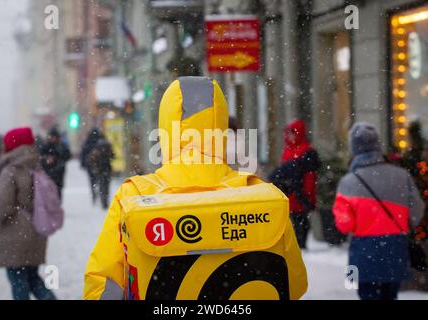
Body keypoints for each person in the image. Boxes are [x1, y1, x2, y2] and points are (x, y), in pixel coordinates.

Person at [83, 77, 307, 300]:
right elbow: (294, 284)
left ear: (165, 128)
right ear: (220, 125)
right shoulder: (259, 194)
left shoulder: (135, 195)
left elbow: (103, 282)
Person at [333, 122, 424, 300]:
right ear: (377, 145)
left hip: (364, 251)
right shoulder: (401, 176)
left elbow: (344, 225)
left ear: (355, 148)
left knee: (367, 295)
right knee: (390, 295)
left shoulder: (348, 182)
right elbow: (417, 210)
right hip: (395, 248)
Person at [0, 127, 56, 300]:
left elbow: (5, 205)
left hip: (16, 235)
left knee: (19, 283)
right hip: (35, 231)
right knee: (33, 279)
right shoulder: (35, 165)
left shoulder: (11, 169)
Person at [268, 119, 321, 249]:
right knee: (294, 220)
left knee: (301, 220)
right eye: (288, 133)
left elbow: (309, 176)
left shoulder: (305, 150)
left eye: (292, 133)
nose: (290, 136)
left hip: (299, 192)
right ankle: (298, 244)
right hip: (290, 192)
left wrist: (307, 194)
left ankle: (301, 244)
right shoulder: (289, 150)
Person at [40, 127, 71, 199]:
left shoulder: (61, 146)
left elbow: (67, 156)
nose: (52, 138)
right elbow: (41, 157)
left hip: (59, 173)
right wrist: (46, 159)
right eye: (51, 136)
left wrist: (57, 159)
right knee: (49, 193)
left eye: (54, 137)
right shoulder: (46, 146)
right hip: (48, 173)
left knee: (58, 192)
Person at [87, 134, 114, 209]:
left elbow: (92, 157)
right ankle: (106, 200)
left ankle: (103, 201)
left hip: (100, 169)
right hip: (107, 169)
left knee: (102, 185)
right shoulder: (108, 146)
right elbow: (113, 155)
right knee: (107, 185)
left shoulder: (97, 147)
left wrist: (94, 167)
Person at [80, 127, 102, 203]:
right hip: (99, 164)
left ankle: (94, 193)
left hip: (89, 164)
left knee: (92, 179)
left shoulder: (88, 141)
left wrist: (82, 163)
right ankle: (99, 191)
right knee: (99, 178)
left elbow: (83, 153)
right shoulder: (100, 141)